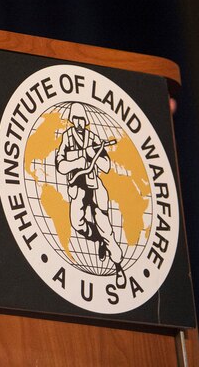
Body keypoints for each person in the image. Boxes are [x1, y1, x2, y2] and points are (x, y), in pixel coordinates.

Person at [55, 101, 125, 285]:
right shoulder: (67, 138)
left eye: (81, 119)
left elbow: (106, 166)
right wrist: (80, 158)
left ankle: (118, 266)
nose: (78, 123)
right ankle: (98, 239)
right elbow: (60, 165)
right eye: (75, 119)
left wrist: (94, 154)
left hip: (94, 187)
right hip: (77, 187)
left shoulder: (93, 138)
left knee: (106, 227)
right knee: (77, 223)